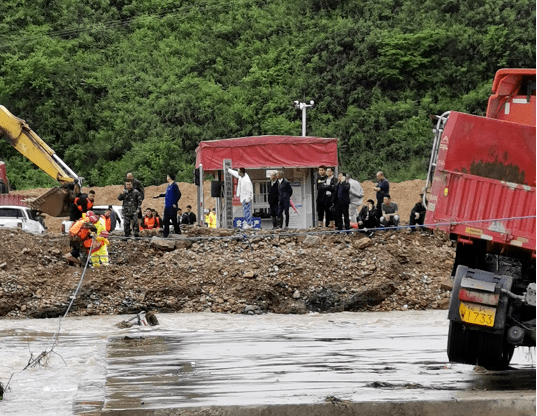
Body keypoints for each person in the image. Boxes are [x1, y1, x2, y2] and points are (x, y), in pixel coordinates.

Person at [154, 173, 181, 237]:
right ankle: (165, 234)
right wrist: (160, 195)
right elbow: (167, 194)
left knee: (174, 219)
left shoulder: (174, 185)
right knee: (166, 220)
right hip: (167, 205)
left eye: (167, 176)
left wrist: (174, 203)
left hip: (172, 206)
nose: (166, 177)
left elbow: (179, 194)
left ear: (169, 177)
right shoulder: (168, 186)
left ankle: (178, 232)